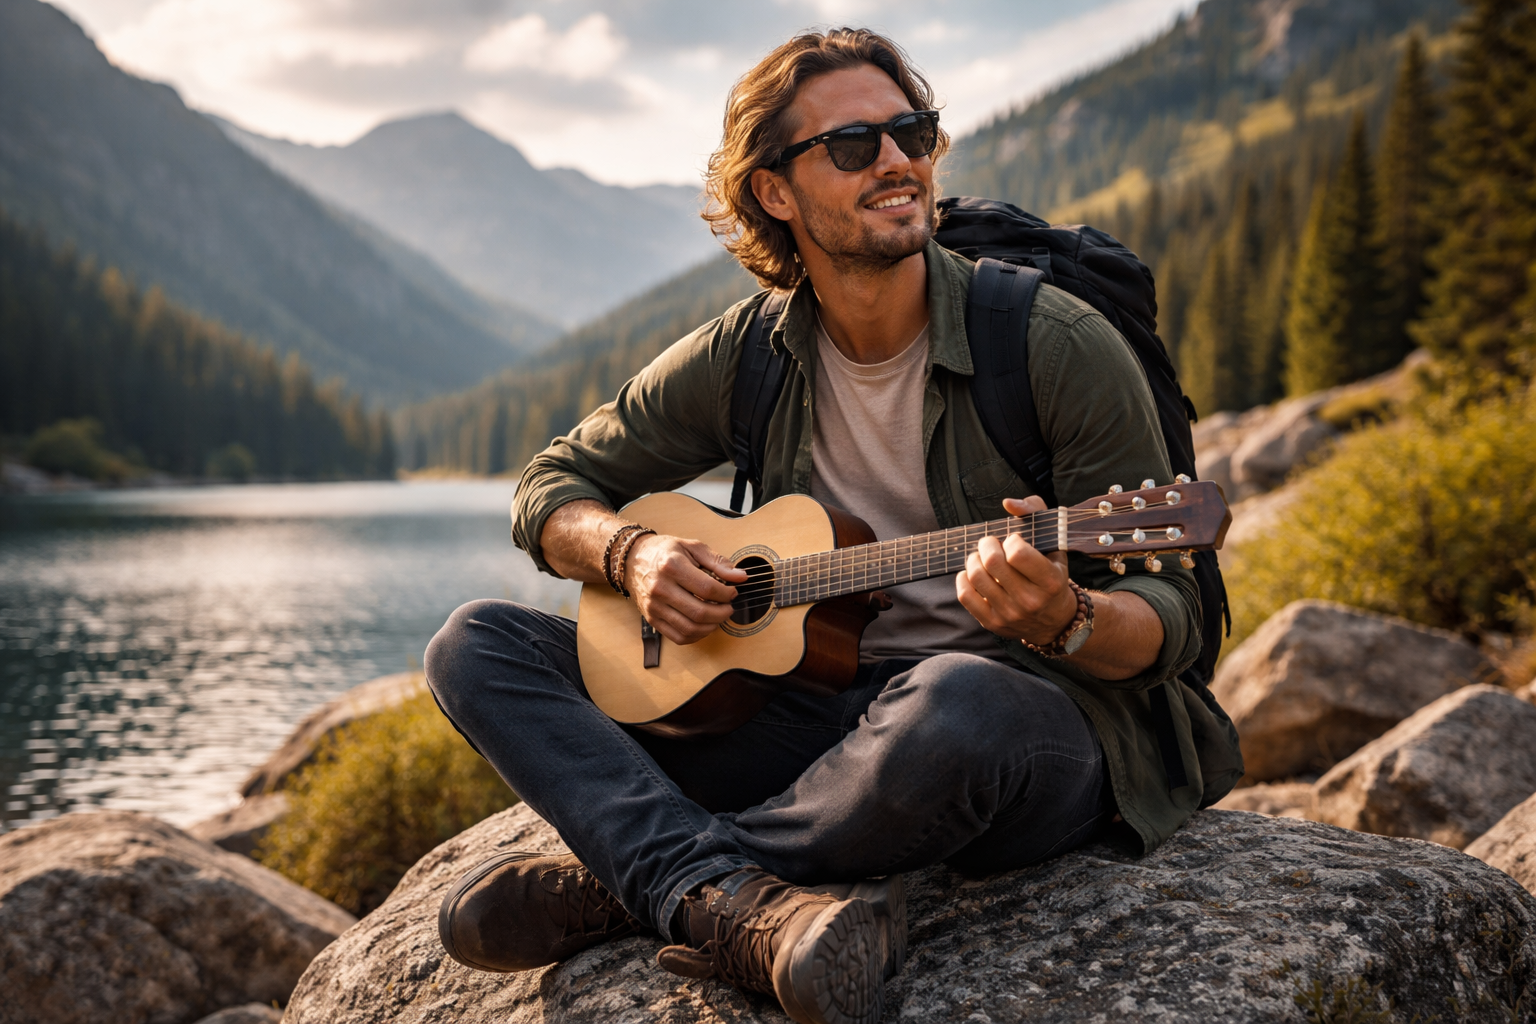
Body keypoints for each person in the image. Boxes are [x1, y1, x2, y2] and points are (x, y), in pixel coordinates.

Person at [425, 27, 1205, 1024]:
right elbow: (551, 484)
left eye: (911, 133)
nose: (897, 161)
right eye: (853, 145)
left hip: (1020, 730)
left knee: (959, 703)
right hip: (807, 719)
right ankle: (733, 899)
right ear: (774, 193)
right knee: (476, 644)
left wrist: (1068, 620)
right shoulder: (751, 352)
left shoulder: (1053, 343)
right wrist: (635, 549)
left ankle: (652, 882)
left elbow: (1170, 607)